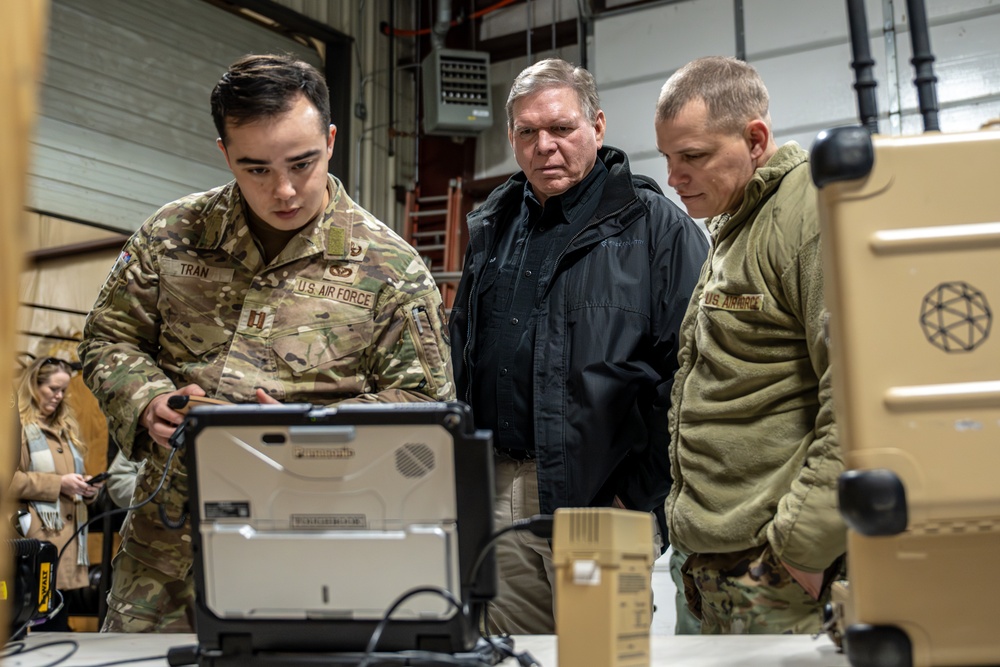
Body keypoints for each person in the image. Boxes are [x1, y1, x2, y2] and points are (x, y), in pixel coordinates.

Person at [79, 54, 454, 633]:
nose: (283, 189)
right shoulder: (172, 235)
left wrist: (314, 428)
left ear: (331, 141)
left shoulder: (390, 269)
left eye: (301, 163)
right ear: (225, 153)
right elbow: (110, 336)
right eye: (255, 169)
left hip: (312, 551)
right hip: (166, 557)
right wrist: (147, 399)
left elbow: (427, 408)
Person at [449, 58, 708, 635]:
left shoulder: (657, 229)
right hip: (501, 494)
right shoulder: (492, 226)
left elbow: (692, 383)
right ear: (512, 138)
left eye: (562, 128)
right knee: (510, 653)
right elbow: (464, 354)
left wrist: (637, 501)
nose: (546, 145)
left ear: (597, 125)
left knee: (599, 653)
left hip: (602, 500)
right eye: (527, 131)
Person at [653, 56, 845, 635]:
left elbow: (859, 399)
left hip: (774, 571)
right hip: (721, 563)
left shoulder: (807, 216)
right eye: (667, 159)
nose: (674, 177)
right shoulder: (739, 219)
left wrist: (803, 545)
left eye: (692, 156)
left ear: (755, 139)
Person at [10, 356, 104, 631]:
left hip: (68, 544)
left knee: (57, 620)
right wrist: (59, 483)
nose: (59, 396)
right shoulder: (17, 429)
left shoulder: (65, 430)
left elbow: (69, 482)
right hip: (34, 540)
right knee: (39, 624)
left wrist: (87, 488)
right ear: (33, 386)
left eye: (63, 390)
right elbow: (8, 481)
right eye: (53, 388)